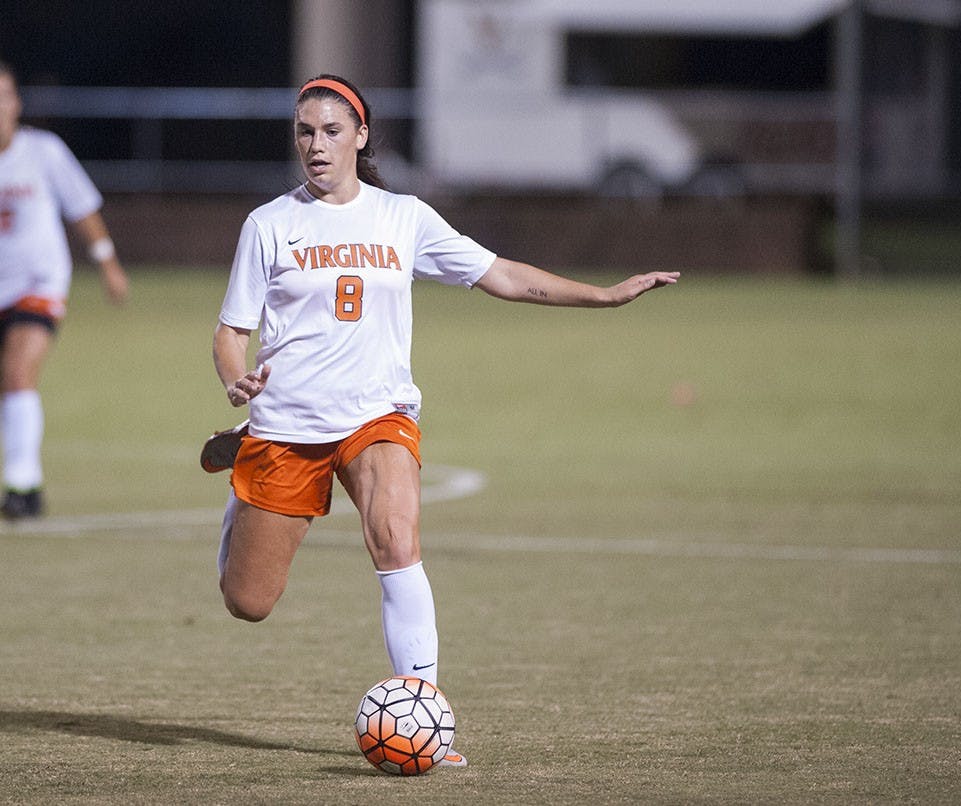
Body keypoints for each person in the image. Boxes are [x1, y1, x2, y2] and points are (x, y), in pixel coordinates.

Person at [203, 74, 679, 768]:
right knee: (248, 603)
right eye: (305, 131)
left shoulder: (404, 217)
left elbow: (503, 276)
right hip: (288, 423)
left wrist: (603, 297)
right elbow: (229, 332)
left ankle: (427, 716)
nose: (316, 145)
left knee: (396, 539)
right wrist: (232, 375)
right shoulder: (270, 224)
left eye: (332, 131)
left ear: (360, 136)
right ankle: (243, 484)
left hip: (377, 413)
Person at [0, 62, 129, 519]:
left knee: (17, 372)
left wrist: (108, 263)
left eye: (5, 96)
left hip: (38, 283)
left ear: (16, 103)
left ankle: (22, 486)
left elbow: (82, 208)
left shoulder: (43, 152)